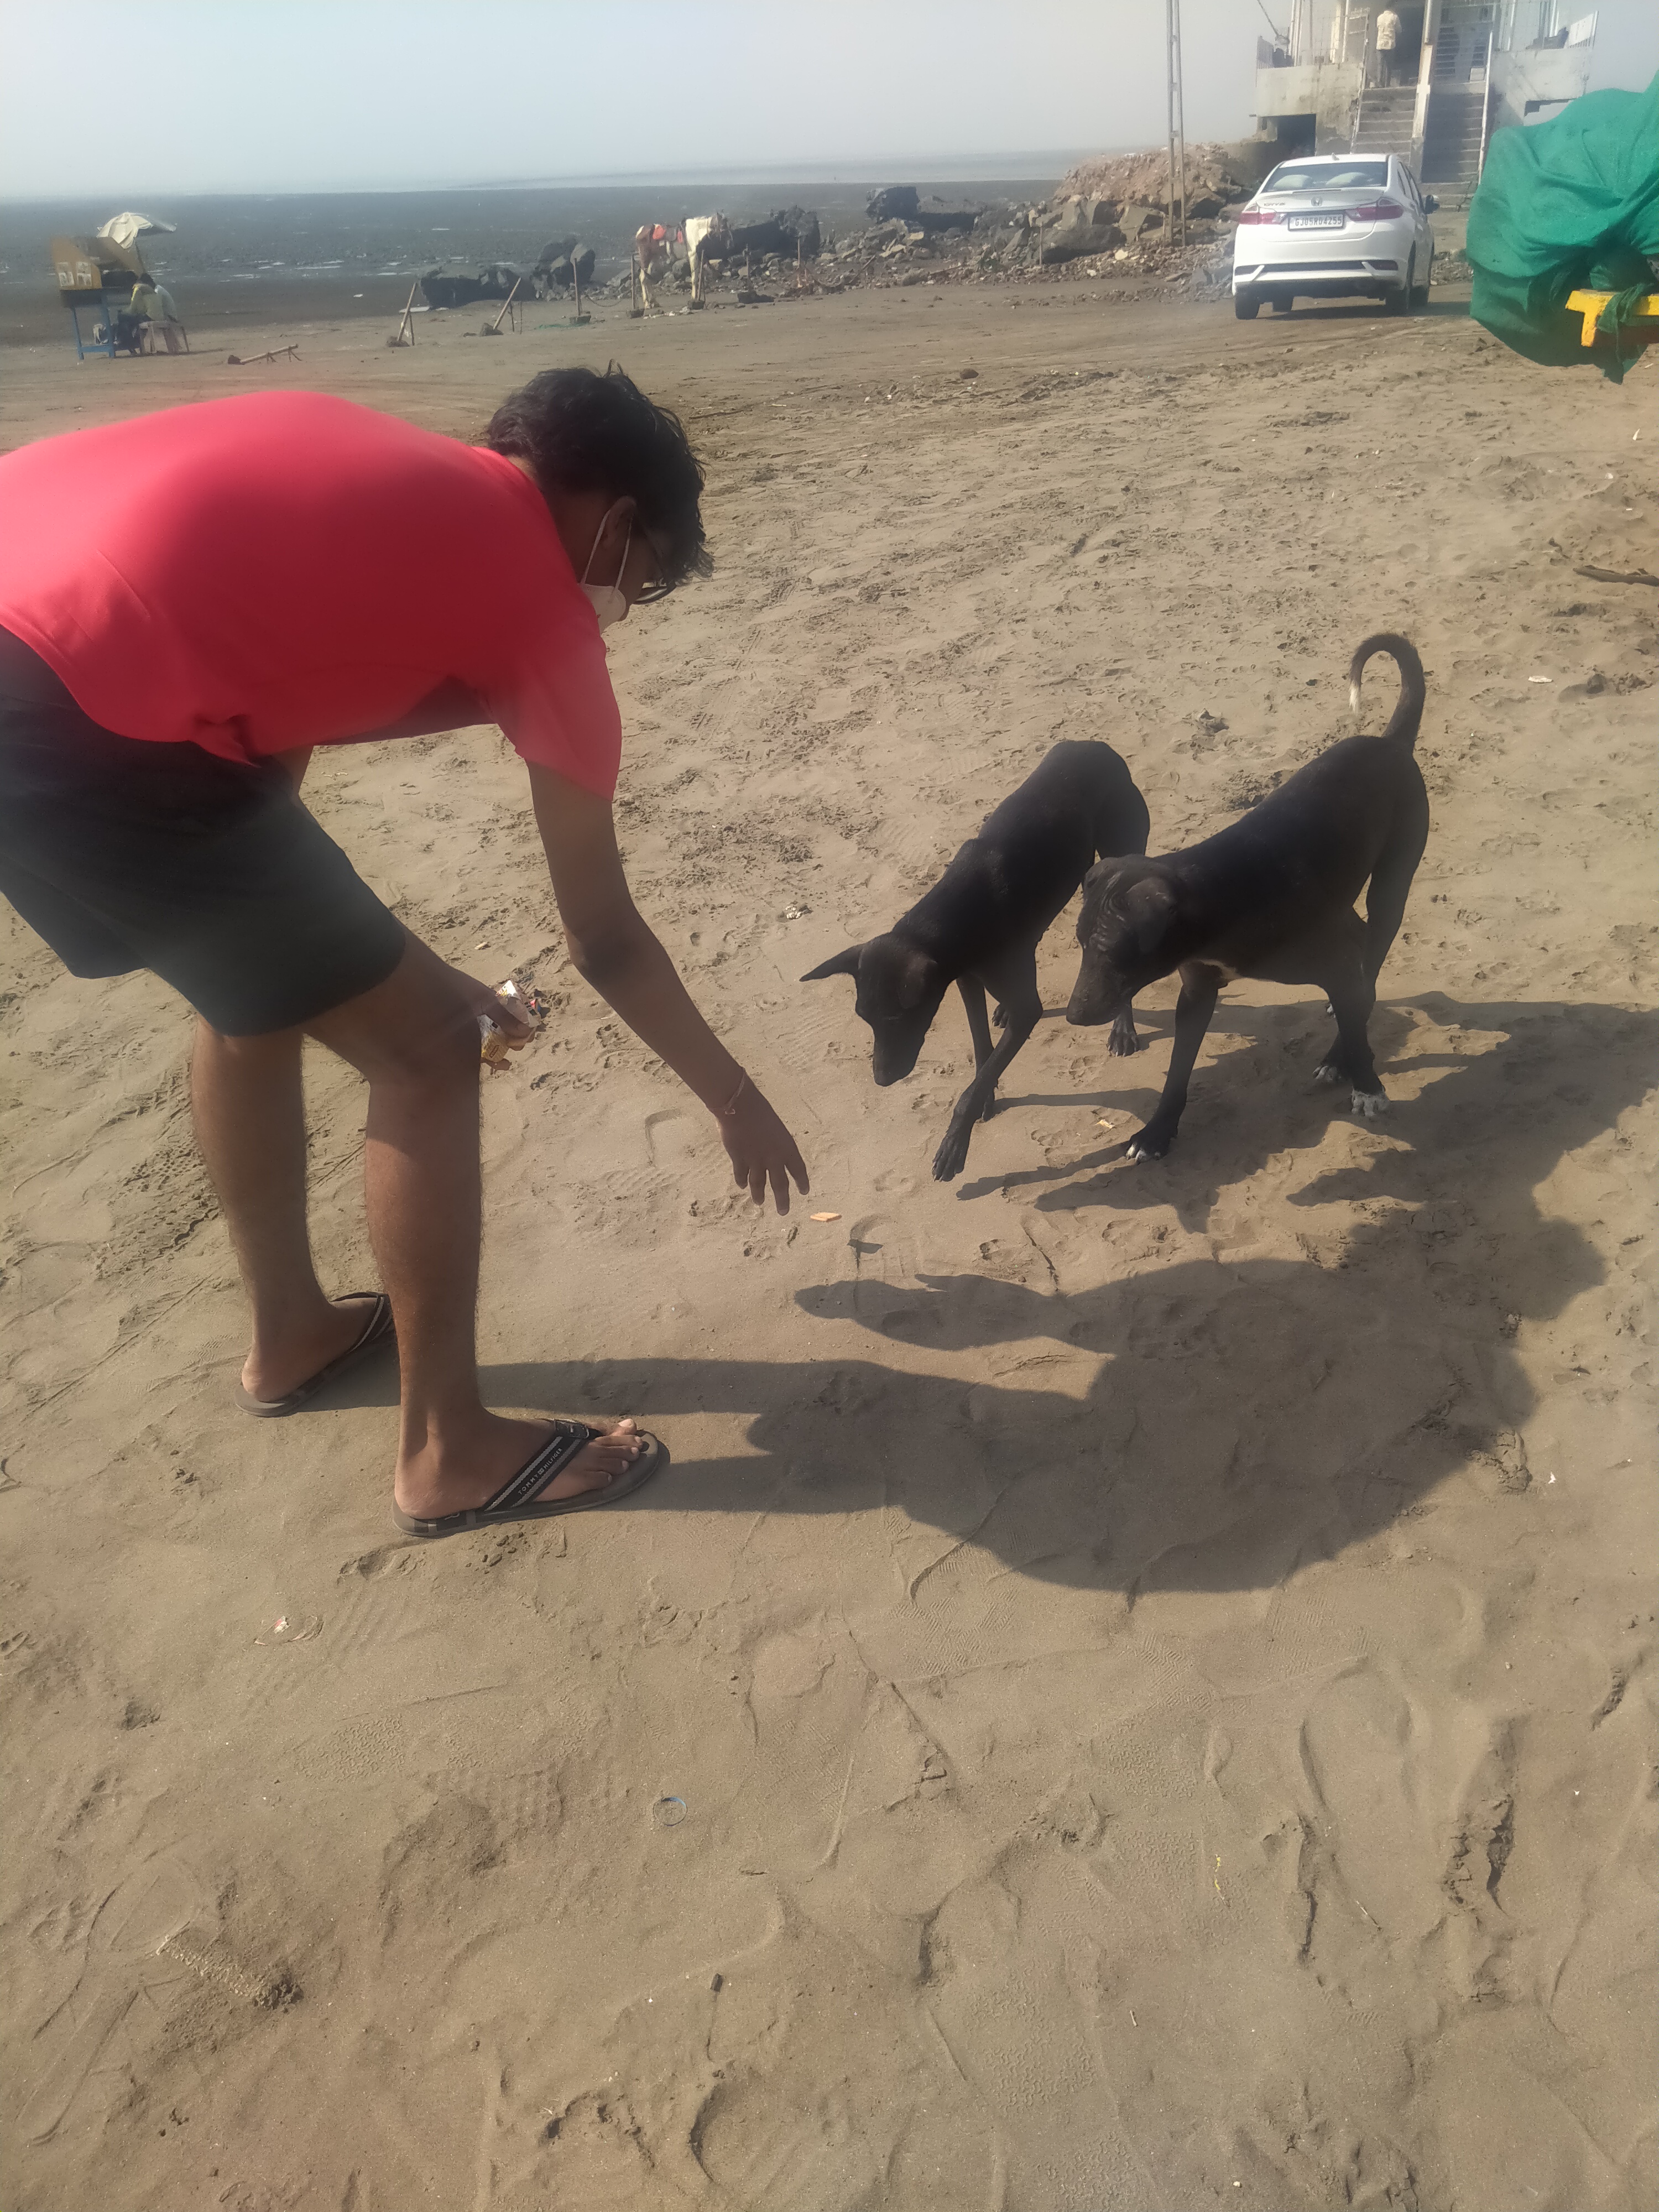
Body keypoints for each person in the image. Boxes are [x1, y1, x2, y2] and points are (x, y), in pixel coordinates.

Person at [0, 371, 810, 1536]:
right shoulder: (541, 601)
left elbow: (258, 808)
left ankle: (294, 1333)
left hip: (40, 636)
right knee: (428, 1051)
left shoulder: (388, 490)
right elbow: (604, 937)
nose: (618, 612)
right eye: (640, 583)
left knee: (253, 993)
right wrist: (735, 1098)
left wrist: (416, 973)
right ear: (619, 521)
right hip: (66, 701)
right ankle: (448, 1453)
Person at [131, 273, 185, 353]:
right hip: (169, 315)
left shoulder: (157, 291)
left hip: (169, 317)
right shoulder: (158, 289)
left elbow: (156, 308)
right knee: (145, 321)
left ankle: (139, 347)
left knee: (142, 322)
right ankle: (144, 348)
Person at [1374, 6, 1404, 86]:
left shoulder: (1379, 18)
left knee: (1380, 65)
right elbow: (1399, 30)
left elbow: (1378, 28)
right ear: (1392, 9)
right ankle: (1387, 84)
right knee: (1389, 66)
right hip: (1390, 45)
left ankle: (1380, 83)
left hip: (1380, 45)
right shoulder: (1394, 17)